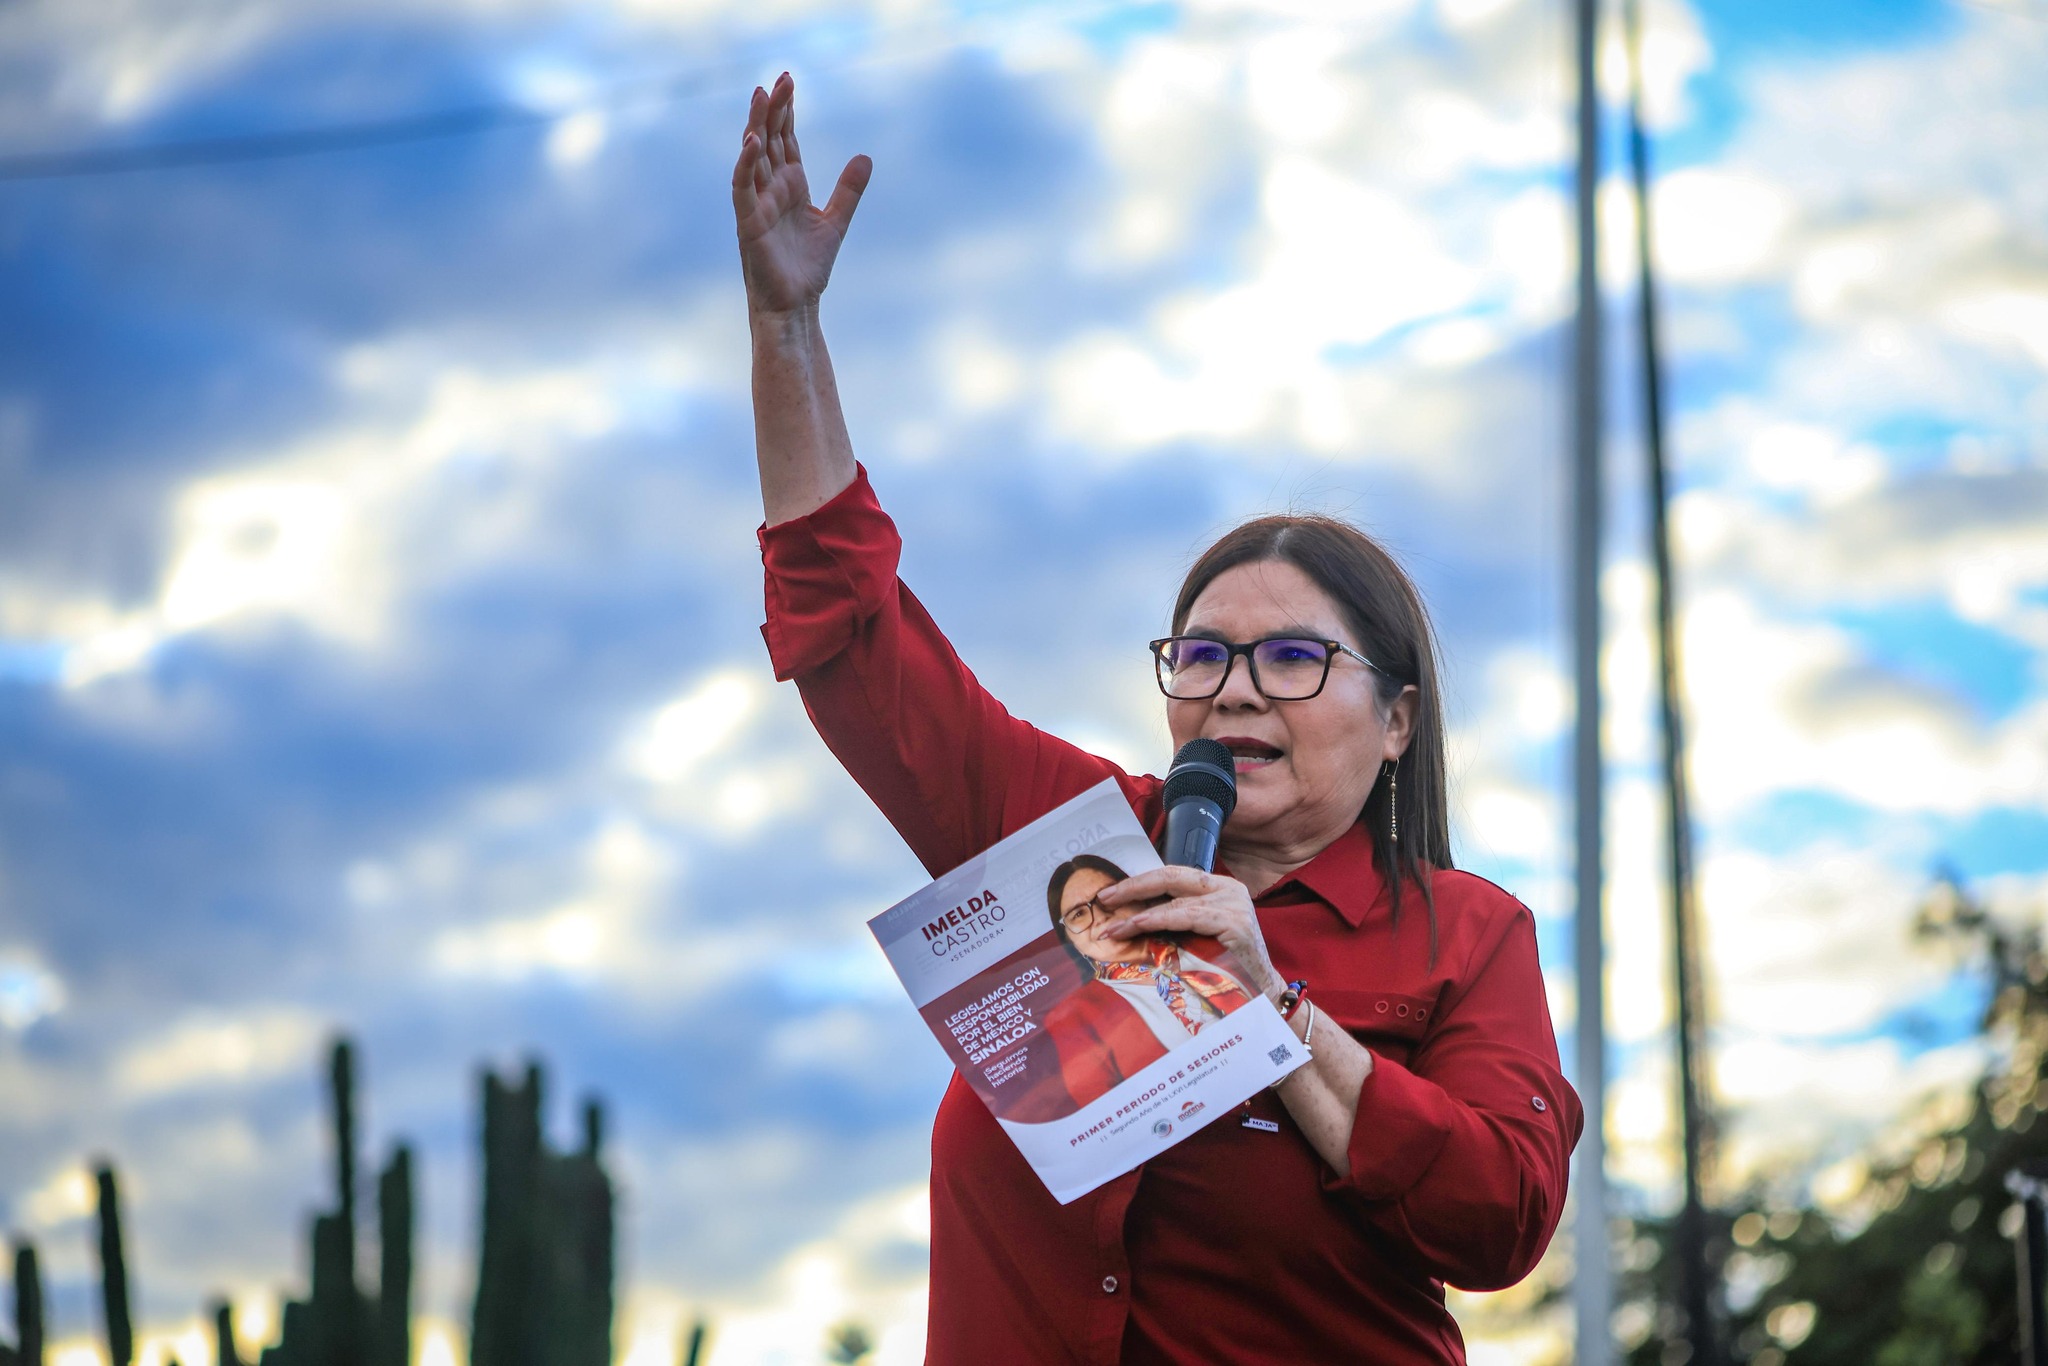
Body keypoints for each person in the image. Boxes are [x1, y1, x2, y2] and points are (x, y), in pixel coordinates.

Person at [735, 71, 1581, 1366]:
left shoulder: (1464, 934)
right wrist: (786, 326)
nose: (1234, 687)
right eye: (1202, 654)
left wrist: (1267, 1001)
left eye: (1292, 657)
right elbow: (854, 643)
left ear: (1398, 719)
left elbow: (1501, 1216)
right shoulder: (1069, 835)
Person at [1041, 853, 1256, 1110]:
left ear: (1138, 896)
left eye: (1107, 897)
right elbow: (1107, 1114)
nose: (1099, 917)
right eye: (1078, 914)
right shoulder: (1074, 1018)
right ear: (1070, 941)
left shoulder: (1214, 937)